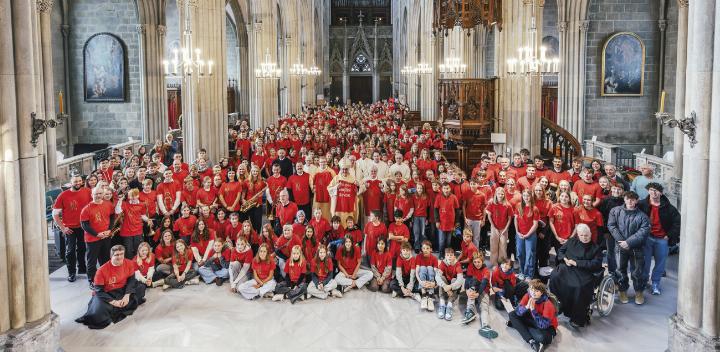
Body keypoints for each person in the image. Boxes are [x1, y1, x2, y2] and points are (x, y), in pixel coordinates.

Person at [75, 245, 146, 329]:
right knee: (97, 313)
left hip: (122, 289)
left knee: (141, 287)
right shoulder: (101, 270)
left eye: (121, 254)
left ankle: (122, 304)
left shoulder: (129, 263)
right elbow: (99, 290)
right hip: (107, 292)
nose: (119, 257)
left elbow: (131, 280)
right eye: (116, 255)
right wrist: (114, 302)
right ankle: (115, 307)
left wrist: (127, 295)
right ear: (111, 256)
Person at [548, 224, 604, 329]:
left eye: (586, 235)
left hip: (584, 272)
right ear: (578, 235)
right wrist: (564, 259)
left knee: (579, 287)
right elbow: (561, 251)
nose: (584, 237)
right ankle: (558, 304)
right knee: (555, 276)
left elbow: (595, 264)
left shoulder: (595, 248)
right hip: (567, 268)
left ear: (590, 234)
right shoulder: (571, 241)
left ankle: (577, 317)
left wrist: (576, 263)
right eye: (582, 235)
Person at [607, 191, 650, 305]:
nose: (630, 201)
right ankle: (622, 290)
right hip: (620, 246)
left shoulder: (642, 216)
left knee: (637, 271)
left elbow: (643, 231)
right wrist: (622, 241)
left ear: (636, 201)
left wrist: (629, 242)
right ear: (624, 199)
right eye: (628, 199)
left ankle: (639, 292)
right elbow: (612, 226)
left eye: (633, 199)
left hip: (636, 247)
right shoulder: (615, 211)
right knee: (620, 269)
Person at [638, 182, 680, 295]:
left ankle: (655, 283)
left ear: (661, 193)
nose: (653, 192)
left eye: (656, 190)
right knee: (645, 262)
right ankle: (644, 281)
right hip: (647, 238)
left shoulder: (669, 208)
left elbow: (677, 222)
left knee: (660, 263)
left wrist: (669, 235)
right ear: (648, 191)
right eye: (651, 189)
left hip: (662, 239)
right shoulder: (642, 204)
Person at [52, 175, 92, 282]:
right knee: (70, 251)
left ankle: (82, 268)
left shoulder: (88, 192)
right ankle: (71, 272)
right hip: (69, 228)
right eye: (75, 181)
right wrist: (63, 228)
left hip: (83, 226)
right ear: (71, 182)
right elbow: (55, 213)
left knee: (82, 248)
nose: (78, 183)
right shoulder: (63, 195)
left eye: (80, 181)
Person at [507, 279, 558, 352]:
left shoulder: (548, 304)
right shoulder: (528, 295)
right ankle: (531, 340)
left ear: (542, 292)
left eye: (536, 291)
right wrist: (526, 307)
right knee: (512, 314)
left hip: (547, 326)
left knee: (543, 338)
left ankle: (518, 326)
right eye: (532, 290)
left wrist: (534, 311)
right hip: (533, 319)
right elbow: (517, 312)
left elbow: (543, 325)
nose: (533, 293)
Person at [80, 186, 115, 287]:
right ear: (92, 195)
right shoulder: (86, 209)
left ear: (103, 194)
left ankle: (105, 278)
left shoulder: (108, 204)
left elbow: (112, 217)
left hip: (106, 236)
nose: (98, 195)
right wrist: (97, 234)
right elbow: (84, 225)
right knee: (92, 261)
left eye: (100, 193)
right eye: (96, 194)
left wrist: (109, 229)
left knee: (105, 259)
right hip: (92, 239)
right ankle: (92, 281)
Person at [462, 252, 498, 339]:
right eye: (475, 262)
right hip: (473, 289)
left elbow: (484, 283)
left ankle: (486, 326)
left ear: (482, 261)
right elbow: (467, 279)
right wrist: (466, 290)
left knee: (484, 306)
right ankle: (470, 311)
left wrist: (478, 294)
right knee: (472, 288)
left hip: (483, 290)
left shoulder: (486, 270)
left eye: (478, 262)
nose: (477, 264)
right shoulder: (471, 267)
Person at [114, 188, 152, 259]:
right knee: (128, 251)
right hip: (127, 231)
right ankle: (130, 266)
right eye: (131, 196)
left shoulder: (142, 204)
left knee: (138, 249)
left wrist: (147, 220)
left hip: (138, 230)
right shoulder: (125, 204)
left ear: (138, 195)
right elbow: (117, 211)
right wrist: (120, 200)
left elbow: (142, 215)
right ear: (128, 197)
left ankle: (137, 264)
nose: (133, 197)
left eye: (135, 195)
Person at [514, 189, 539, 280]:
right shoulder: (519, 206)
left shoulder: (534, 208)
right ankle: (522, 272)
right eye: (524, 195)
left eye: (528, 195)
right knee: (520, 254)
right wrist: (517, 231)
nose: (526, 197)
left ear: (531, 196)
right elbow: (515, 220)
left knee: (530, 255)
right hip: (520, 234)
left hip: (530, 235)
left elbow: (535, 224)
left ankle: (529, 274)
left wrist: (528, 234)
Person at [486, 187, 513, 266]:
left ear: (504, 195)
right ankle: (494, 263)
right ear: (495, 194)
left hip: (504, 228)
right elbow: (489, 216)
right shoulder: (492, 203)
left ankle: (501, 262)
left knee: (503, 246)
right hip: (494, 227)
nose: (500, 196)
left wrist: (505, 229)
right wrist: (493, 227)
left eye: (502, 194)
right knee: (494, 246)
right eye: (498, 194)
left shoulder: (508, 205)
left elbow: (509, 219)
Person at [435, 248, 464, 321]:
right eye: (448, 255)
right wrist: (445, 286)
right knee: (441, 278)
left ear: (454, 256)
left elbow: (460, 280)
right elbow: (437, 276)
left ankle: (449, 304)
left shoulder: (457, 264)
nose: (449, 257)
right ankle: (442, 303)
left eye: (451, 255)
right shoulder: (443, 263)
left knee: (455, 279)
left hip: (453, 286)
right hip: (446, 285)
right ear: (445, 256)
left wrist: (450, 287)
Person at [434, 182, 460, 259]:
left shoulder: (454, 197)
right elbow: (435, 209)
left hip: (451, 223)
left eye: (447, 188)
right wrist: (437, 221)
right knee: (441, 241)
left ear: (450, 188)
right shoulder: (438, 197)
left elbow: (457, 210)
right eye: (444, 188)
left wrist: (457, 222)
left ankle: (447, 254)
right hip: (442, 223)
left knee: (448, 241)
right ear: (442, 189)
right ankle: (441, 254)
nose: (446, 190)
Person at [415, 240, 438, 312]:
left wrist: (435, 283)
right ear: (421, 249)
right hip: (422, 281)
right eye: (424, 248)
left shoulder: (434, 258)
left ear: (431, 249)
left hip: (431, 281)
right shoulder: (418, 256)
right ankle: (424, 296)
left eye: (427, 248)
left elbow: (436, 272)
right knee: (423, 268)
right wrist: (420, 282)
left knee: (430, 268)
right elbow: (417, 271)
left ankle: (430, 296)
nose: (425, 250)